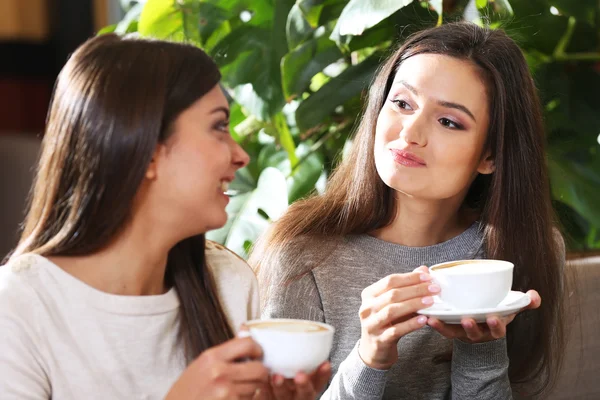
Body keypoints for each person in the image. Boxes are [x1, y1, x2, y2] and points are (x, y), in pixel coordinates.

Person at [0, 34, 329, 400]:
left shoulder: (230, 282)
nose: (240, 155)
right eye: (219, 126)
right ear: (149, 152)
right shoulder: (17, 305)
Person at [250, 22, 566, 399]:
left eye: (449, 121)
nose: (409, 134)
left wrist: (481, 353)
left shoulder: (520, 251)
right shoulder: (302, 254)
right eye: (402, 103)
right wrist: (369, 358)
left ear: (491, 155)